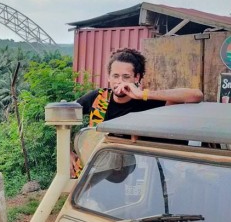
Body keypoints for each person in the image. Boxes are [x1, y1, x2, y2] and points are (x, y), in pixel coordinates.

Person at [71, 48, 203, 177]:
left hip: (134, 176)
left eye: (126, 77)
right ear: (109, 77)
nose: (120, 82)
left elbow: (196, 95)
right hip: (95, 172)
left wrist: (142, 94)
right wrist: (68, 153)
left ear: (136, 78)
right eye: (115, 76)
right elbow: (62, 115)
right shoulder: (98, 98)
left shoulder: (146, 100)